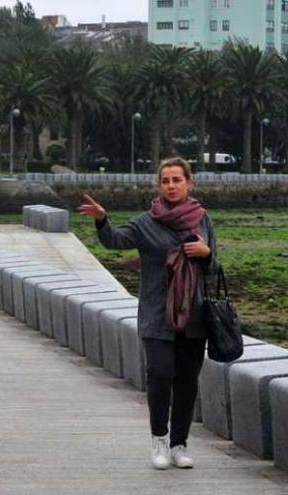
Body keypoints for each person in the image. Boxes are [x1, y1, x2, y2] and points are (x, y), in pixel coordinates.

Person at [78, 157, 218, 471]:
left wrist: (206, 254)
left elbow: (216, 267)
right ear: (159, 185)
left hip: (193, 316)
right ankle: (159, 439)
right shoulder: (145, 222)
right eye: (165, 180)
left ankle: (180, 444)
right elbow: (115, 241)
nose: (171, 186)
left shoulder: (202, 219)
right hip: (157, 315)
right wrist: (102, 220)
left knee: (186, 381)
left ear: (188, 183)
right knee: (160, 375)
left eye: (176, 180)